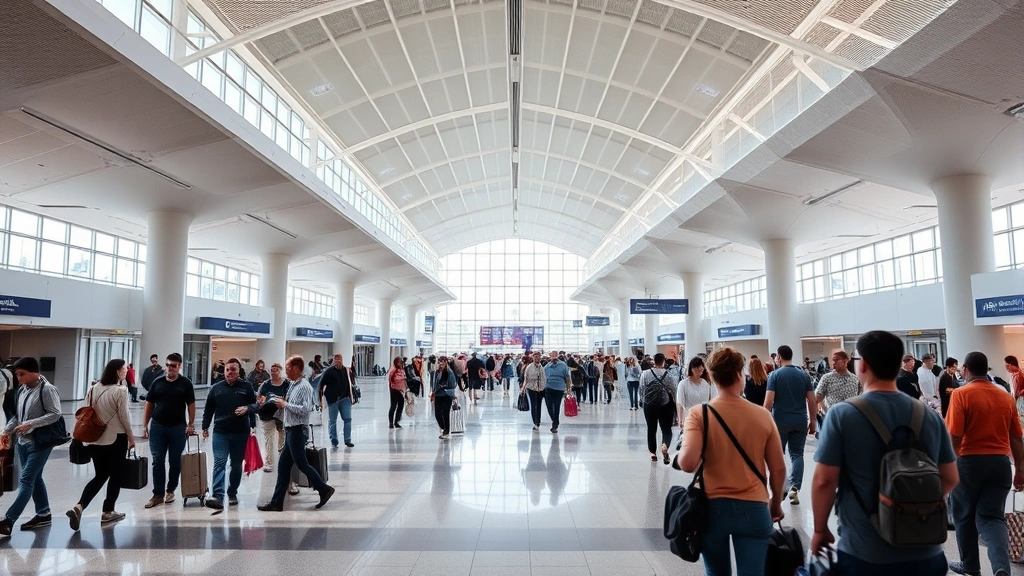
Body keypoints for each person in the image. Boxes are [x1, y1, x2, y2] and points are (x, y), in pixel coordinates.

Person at [810, 330, 958, 575]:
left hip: (864, 552)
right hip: (926, 554)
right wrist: (912, 507)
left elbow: (824, 480)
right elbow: (951, 477)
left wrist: (818, 530)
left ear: (863, 365)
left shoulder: (842, 415)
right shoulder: (928, 415)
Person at [678, 347, 786, 575]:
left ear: (712, 376)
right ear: (740, 374)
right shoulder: (762, 415)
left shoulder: (699, 414)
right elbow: (778, 469)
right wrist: (775, 503)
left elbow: (687, 463)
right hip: (755, 507)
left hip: (712, 509)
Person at [946, 350, 1024, 576]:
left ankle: (970, 565)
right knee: (992, 517)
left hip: (969, 463)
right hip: (1000, 464)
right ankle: (1001, 568)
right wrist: (1020, 470)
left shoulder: (961, 394)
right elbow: (1016, 438)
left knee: (964, 515)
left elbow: (955, 436)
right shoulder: (1004, 397)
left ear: (967, 369)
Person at [257, 355, 335, 512]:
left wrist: (286, 404)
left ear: (297, 369)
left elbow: (306, 409)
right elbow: (291, 404)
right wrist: (280, 401)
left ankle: (324, 488)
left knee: (302, 464)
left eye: (288, 367)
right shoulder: (293, 385)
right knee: (283, 466)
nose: (286, 370)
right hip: (291, 430)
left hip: (298, 430)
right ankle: (277, 502)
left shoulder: (304, 386)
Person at [67, 359, 135, 530]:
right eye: (125, 369)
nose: (126, 371)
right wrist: (131, 437)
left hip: (94, 439)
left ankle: (79, 506)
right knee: (116, 475)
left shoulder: (93, 388)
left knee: (100, 475)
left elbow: (85, 410)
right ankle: (108, 511)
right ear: (118, 371)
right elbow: (124, 416)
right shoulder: (121, 391)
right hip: (115, 438)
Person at [0, 357, 62, 536]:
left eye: (21, 374)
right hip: (22, 442)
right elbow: (18, 416)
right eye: (17, 374)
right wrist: (6, 431)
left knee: (26, 481)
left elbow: (55, 414)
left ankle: (9, 520)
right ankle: (43, 513)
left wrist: (31, 424)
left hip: (40, 443)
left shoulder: (48, 389)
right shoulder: (22, 390)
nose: (17, 378)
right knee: (36, 478)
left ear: (34, 372)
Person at [200, 357, 257, 509]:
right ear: (224, 371)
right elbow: (209, 409)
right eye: (227, 369)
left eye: (233, 369)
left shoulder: (246, 387)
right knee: (219, 463)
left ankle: (232, 491)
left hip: (240, 432)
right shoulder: (216, 388)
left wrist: (249, 412)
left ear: (239, 371)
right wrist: (205, 427)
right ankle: (218, 496)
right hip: (220, 432)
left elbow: (255, 405)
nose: (230, 372)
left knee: (236, 465)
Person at [763, 344, 816, 505]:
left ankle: (781, 488)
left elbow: (769, 402)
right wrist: (812, 421)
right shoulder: (804, 375)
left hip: (780, 421)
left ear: (779, 357)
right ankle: (795, 488)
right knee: (797, 454)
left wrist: (763, 421)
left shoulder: (774, 375)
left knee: (777, 455)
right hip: (800, 420)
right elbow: (811, 399)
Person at [142, 352, 196, 509]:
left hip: (178, 427)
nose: (170, 368)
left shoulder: (185, 383)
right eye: (168, 365)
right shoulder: (157, 382)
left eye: (173, 366)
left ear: (179, 367)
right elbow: (149, 404)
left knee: (175, 461)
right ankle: (157, 494)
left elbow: (191, 404)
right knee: (157, 460)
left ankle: (170, 490)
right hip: (158, 427)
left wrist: (191, 424)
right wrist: (145, 425)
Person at [640, 353, 678, 464]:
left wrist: (643, 401)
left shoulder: (645, 374)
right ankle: (665, 445)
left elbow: (641, 388)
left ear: (653, 362)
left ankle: (653, 453)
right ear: (663, 362)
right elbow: (674, 390)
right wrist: (676, 404)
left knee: (651, 429)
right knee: (666, 429)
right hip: (665, 405)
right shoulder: (669, 375)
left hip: (649, 405)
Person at [256, 363, 289, 472]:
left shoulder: (287, 384)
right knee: (268, 439)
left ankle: (281, 460)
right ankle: (269, 461)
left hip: (282, 415)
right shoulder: (265, 384)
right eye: (272, 370)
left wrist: (283, 401)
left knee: (282, 438)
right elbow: (259, 398)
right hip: (267, 414)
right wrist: (262, 401)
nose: (274, 372)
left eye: (276, 370)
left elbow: (291, 398)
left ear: (280, 371)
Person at [814, 349, 861, 425]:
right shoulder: (827, 378)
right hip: (831, 419)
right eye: (832, 360)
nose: (833, 363)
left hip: (850, 419)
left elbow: (859, 400)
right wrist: (815, 418)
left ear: (846, 361)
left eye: (836, 360)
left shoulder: (855, 379)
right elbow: (816, 399)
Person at [319, 354, 355, 448]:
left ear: (342, 360)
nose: (338, 361)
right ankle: (334, 439)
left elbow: (351, 383)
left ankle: (348, 439)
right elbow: (321, 385)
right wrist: (321, 399)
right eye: (336, 359)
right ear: (333, 361)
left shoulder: (346, 370)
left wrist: (351, 397)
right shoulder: (329, 372)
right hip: (333, 400)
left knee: (348, 419)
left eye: (339, 359)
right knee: (333, 421)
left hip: (345, 398)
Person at [676, 356, 718, 428]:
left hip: (705, 418)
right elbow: (680, 403)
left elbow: (711, 401)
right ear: (691, 368)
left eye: (702, 366)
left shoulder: (706, 384)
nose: (701, 368)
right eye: (698, 366)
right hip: (690, 418)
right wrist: (680, 419)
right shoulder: (683, 384)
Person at [543, 351, 570, 434]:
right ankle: (555, 420)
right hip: (548, 388)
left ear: (557, 356)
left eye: (555, 356)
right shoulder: (547, 366)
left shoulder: (563, 365)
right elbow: (543, 378)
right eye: (552, 356)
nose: (553, 357)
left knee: (557, 406)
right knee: (549, 406)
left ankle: (555, 424)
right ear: (549, 357)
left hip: (559, 389)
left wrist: (568, 389)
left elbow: (567, 377)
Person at [431, 356, 457, 439]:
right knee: (437, 414)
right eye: (439, 362)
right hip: (438, 395)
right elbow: (434, 383)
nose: (441, 364)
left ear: (446, 362)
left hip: (447, 395)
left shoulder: (449, 372)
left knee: (445, 413)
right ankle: (443, 427)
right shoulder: (437, 372)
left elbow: (453, 384)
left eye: (442, 362)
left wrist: (453, 395)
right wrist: (433, 392)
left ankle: (446, 430)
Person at [521, 353, 545, 431]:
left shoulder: (541, 367)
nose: (537, 358)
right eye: (535, 357)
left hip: (540, 389)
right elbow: (526, 378)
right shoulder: (529, 367)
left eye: (538, 357)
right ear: (533, 358)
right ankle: (535, 422)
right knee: (534, 405)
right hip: (531, 388)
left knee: (539, 406)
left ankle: (538, 422)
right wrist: (523, 388)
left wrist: (543, 387)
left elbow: (544, 378)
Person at [387, 356, 407, 429]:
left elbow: (405, 379)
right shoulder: (393, 370)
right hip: (394, 390)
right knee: (393, 406)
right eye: (398, 362)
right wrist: (392, 389)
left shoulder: (402, 370)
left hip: (401, 391)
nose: (400, 363)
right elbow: (390, 380)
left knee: (401, 406)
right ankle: (391, 423)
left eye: (400, 362)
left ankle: (397, 421)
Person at [1008, 355, 1024, 432]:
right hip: (1020, 400)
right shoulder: (1019, 373)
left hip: (1020, 401)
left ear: (1011, 364)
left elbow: (1015, 392)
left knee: (1021, 422)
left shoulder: (1017, 375)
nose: (1007, 368)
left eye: (1007, 366)